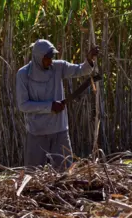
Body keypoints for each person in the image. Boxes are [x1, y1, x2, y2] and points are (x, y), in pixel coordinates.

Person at [15, 38, 99, 170]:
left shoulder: (58, 67)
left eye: (52, 57)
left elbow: (81, 70)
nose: (50, 61)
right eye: (47, 58)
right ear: (38, 57)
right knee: (33, 174)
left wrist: (89, 60)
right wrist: (50, 106)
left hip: (59, 129)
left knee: (66, 171)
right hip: (37, 131)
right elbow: (23, 105)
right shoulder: (23, 74)